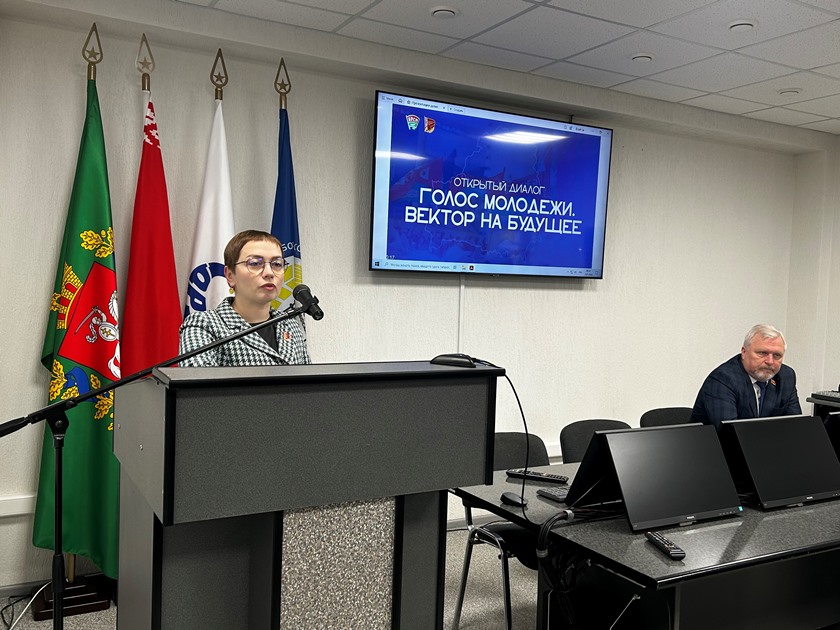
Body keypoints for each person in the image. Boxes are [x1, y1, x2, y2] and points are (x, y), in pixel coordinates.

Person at [179, 229, 310, 366]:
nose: (269, 273)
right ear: (230, 275)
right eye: (255, 263)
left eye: (277, 264)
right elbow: (197, 378)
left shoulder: (290, 325)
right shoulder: (204, 324)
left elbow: (310, 378)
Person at [690, 324, 801, 430]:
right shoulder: (723, 379)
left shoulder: (786, 377)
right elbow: (730, 434)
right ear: (744, 352)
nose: (770, 361)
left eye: (777, 355)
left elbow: (796, 426)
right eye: (762, 353)